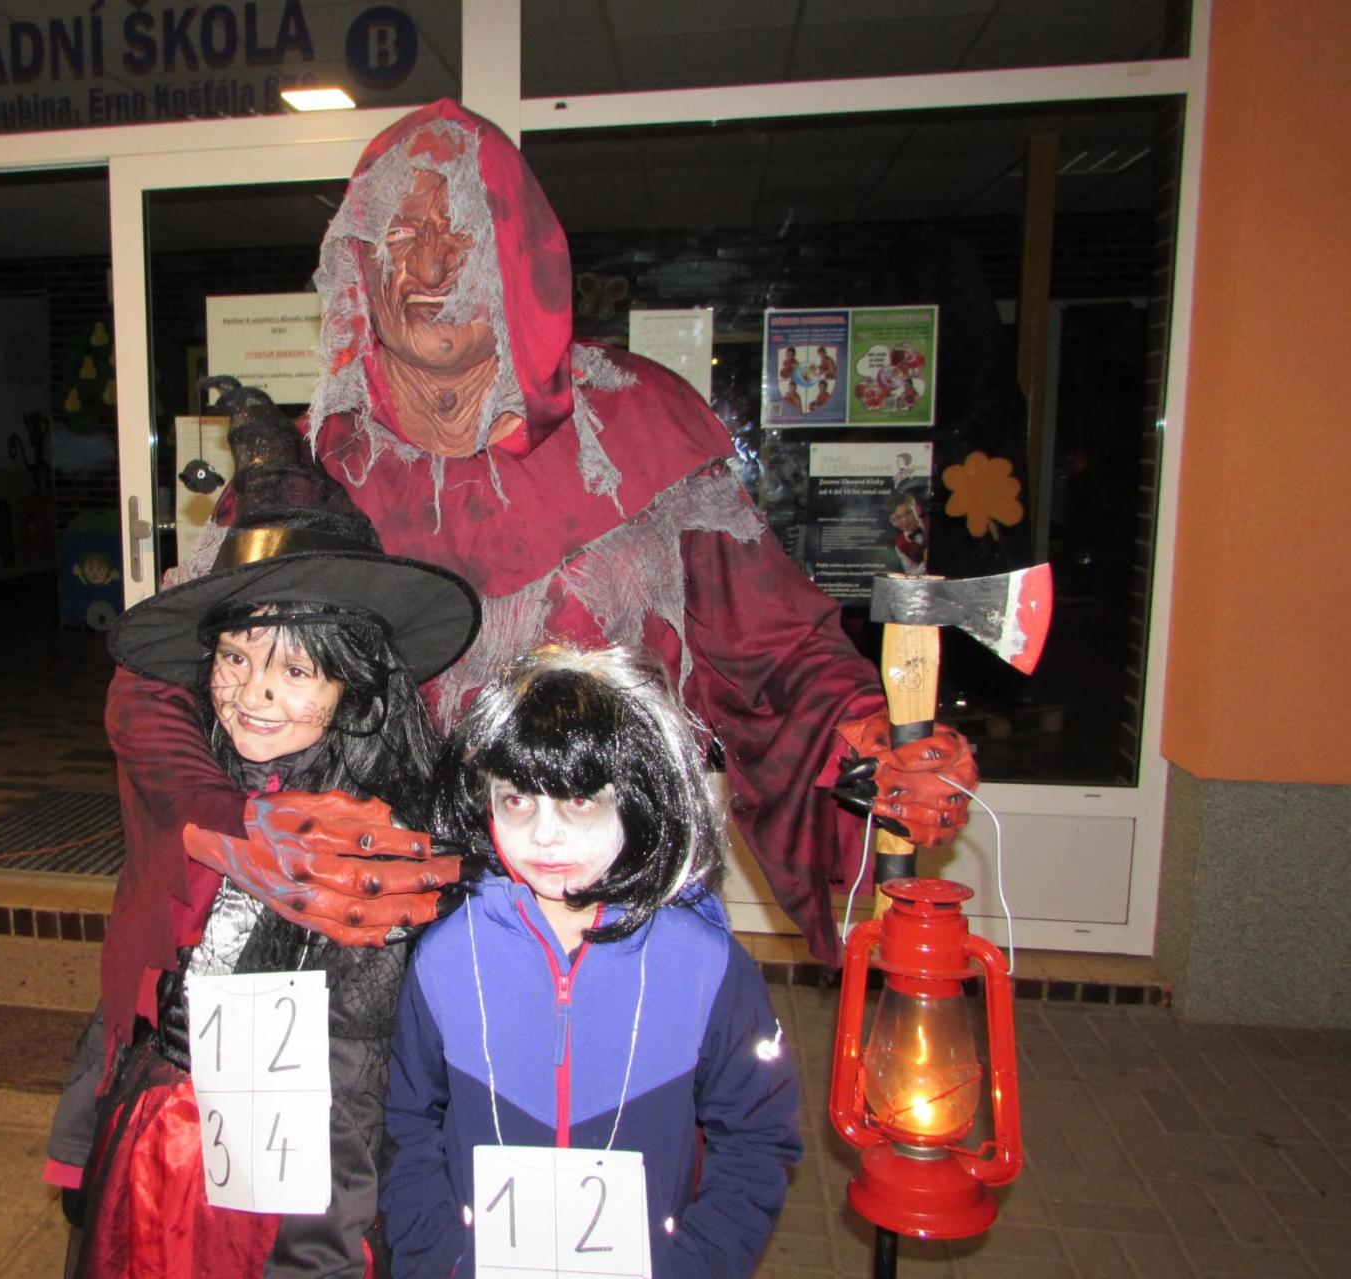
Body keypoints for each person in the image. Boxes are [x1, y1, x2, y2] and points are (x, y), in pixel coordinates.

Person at [101, 97, 976, 1017]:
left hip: (606, 934)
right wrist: (238, 825)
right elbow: (159, 681)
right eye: (400, 233)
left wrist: (874, 742)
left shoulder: (637, 429)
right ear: (360, 264)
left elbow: (780, 655)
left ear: (522, 254)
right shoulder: (308, 470)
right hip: (369, 954)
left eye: (462, 232)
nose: (430, 266)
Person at [53, 381, 479, 1277]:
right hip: (158, 1152)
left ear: (355, 687)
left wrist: (322, 1257)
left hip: (280, 1208)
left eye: (295, 670)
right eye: (235, 657)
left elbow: (352, 1086)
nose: (252, 693)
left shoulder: (366, 853)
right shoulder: (208, 795)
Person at [381, 645, 801, 1278]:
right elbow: (407, 1125)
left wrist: (693, 1266)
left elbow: (758, 1136)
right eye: (517, 800)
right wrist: (438, 1259)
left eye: (581, 801)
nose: (545, 834)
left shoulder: (704, 965)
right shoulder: (447, 957)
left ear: (639, 798)